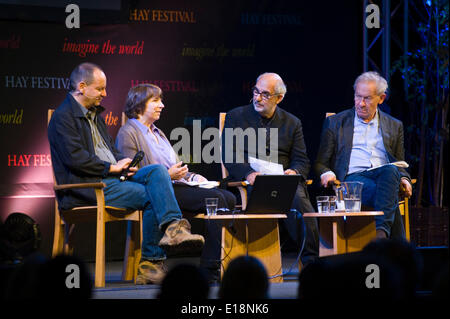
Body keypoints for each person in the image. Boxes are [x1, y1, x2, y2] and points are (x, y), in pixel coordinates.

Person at [47, 62, 204, 285]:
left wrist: (122, 162)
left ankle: (173, 228)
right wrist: (111, 168)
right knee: (153, 195)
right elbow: (75, 159)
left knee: (157, 172)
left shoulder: (95, 117)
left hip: (111, 178)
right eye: (100, 89)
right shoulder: (63, 117)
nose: (105, 94)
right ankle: (151, 263)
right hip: (87, 187)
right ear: (82, 86)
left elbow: (110, 151)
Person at [116, 83, 236, 282]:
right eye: (155, 100)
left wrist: (192, 177)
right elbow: (133, 173)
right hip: (158, 192)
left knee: (229, 197)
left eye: (161, 100)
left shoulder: (158, 133)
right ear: (138, 105)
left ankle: (215, 264)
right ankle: (210, 270)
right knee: (217, 199)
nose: (161, 105)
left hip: (175, 185)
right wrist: (169, 175)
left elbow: (173, 166)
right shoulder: (128, 132)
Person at [221, 72, 319, 265]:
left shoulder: (292, 122)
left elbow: (301, 160)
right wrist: (248, 174)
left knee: (299, 200)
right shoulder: (236, 116)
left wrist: (294, 172)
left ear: (279, 98)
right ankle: (258, 262)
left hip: (282, 179)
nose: (257, 98)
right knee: (265, 196)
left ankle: (311, 263)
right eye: (256, 91)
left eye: (265, 94)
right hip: (251, 180)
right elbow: (229, 155)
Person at [314, 71, 413, 239]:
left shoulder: (394, 125)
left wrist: (404, 179)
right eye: (357, 96)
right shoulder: (336, 122)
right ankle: (388, 240)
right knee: (388, 196)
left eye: (367, 98)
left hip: (385, 176)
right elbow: (320, 163)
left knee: (391, 171)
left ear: (381, 98)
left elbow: (399, 163)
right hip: (352, 180)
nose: (360, 103)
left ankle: (381, 236)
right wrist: (327, 173)